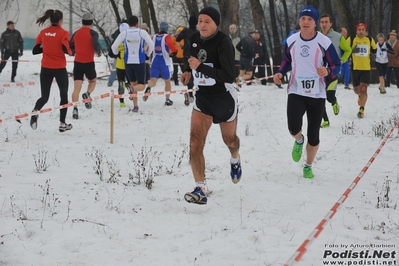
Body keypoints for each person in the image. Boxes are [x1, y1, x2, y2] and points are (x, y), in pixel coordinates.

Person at [180, 7, 241, 204]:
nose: (203, 25)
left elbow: (229, 76)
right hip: (203, 98)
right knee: (195, 142)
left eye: (207, 21)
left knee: (229, 140)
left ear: (215, 23)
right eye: (200, 21)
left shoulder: (224, 43)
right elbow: (192, 61)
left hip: (224, 98)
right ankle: (200, 188)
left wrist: (201, 68)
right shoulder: (194, 40)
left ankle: (235, 158)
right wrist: (188, 72)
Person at [273, 5, 341, 179]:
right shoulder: (292, 40)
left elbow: (336, 65)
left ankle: (308, 165)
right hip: (296, 90)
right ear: (299, 21)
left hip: (317, 93)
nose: (305, 22)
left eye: (309, 19)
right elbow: (286, 60)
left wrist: (328, 72)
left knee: (314, 135)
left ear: (315, 23)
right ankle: (298, 140)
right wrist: (280, 72)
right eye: (303, 18)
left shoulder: (324, 42)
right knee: (293, 127)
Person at [30, 9, 73, 132]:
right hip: (59, 68)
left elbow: (35, 50)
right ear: (60, 21)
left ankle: (35, 111)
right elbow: (67, 49)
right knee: (63, 96)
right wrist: (71, 52)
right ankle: (62, 124)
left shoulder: (43, 32)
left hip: (45, 68)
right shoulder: (63, 33)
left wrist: (47, 48)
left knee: (44, 96)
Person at [110, 16, 154, 113]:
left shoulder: (124, 33)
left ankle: (135, 106)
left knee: (133, 82)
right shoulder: (142, 32)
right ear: (137, 23)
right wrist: (147, 54)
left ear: (128, 24)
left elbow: (113, 46)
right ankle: (132, 89)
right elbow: (151, 44)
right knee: (141, 85)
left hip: (128, 62)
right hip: (139, 61)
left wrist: (117, 53)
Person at [319, 14, 351, 128]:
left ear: (330, 24)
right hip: (320, 72)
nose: (324, 24)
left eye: (326, 22)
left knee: (329, 96)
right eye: (322, 22)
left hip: (332, 71)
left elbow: (348, 50)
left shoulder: (338, 36)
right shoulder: (316, 36)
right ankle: (325, 120)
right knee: (320, 97)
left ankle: (334, 102)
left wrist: (342, 60)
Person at [70, 13, 102, 119]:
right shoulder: (93, 33)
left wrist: (74, 51)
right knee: (92, 81)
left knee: (76, 88)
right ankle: (87, 94)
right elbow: (95, 43)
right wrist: (98, 51)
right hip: (88, 62)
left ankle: (75, 108)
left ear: (82, 22)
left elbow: (70, 45)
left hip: (78, 62)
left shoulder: (76, 33)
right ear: (92, 23)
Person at [143, 21, 177, 106]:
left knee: (153, 80)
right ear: (166, 28)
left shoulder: (154, 37)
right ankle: (167, 99)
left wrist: (147, 54)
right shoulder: (167, 36)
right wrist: (175, 51)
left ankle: (149, 87)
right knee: (167, 81)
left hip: (155, 61)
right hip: (164, 62)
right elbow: (169, 43)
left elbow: (148, 48)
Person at [348, 23, 377, 118]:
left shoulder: (369, 39)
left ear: (365, 31)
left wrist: (373, 55)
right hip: (355, 68)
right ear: (356, 31)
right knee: (357, 90)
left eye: (363, 30)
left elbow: (374, 49)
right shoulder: (352, 39)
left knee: (364, 89)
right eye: (359, 29)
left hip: (366, 69)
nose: (361, 31)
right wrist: (348, 56)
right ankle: (359, 96)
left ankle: (361, 109)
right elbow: (345, 49)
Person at [176, 15, 198, 105]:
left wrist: (181, 46)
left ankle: (190, 94)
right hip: (195, 56)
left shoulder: (185, 31)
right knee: (195, 74)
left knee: (188, 73)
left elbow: (177, 40)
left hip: (186, 55)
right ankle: (195, 93)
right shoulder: (198, 33)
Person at [114, 22, 130, 107]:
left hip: (119, 65)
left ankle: (122, 102)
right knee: (131, 81)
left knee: (120, 82)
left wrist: (117, 54)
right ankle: (130, 88)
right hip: (128, 65)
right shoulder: (129, 39)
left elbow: (111, 52)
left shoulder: (118, 39)